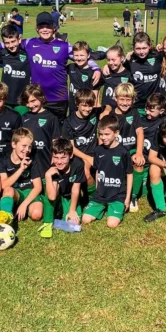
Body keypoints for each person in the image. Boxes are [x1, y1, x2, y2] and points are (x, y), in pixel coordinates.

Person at [0, 12, 101, 121]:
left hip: (58, 99)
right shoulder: (30, 43)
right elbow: (6, 43)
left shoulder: (64, 46)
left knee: (57, 133)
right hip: (37, 98)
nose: (45, 29)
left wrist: (96, 68)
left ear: (54, 27)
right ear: (37, 28)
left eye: (48, 26)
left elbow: (81, 56)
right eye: (41, 26)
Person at [82, 115, 133, 228]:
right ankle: (102, 206)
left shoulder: (123, 152)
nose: (103, 137)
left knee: (111, 224)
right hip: (101, 194)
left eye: (107, 134)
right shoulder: (98, 150)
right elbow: (97, 171)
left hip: (118, 195)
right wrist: (97, 189)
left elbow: (129, 174)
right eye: (101, 134)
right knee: (85, 219)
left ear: (116, 133)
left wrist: (127, 198)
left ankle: (113, 207)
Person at [39, 137, 86, 238]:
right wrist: (48, 176)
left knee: (75, 226)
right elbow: (51, 196)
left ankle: (56, 222)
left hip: (69, 197)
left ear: (71, 155)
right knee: (51, 192)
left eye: (63, 157)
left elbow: (75, 188)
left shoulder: (78, 164)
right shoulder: (51, 167)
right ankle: (47, 223)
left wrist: (72, 210)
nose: (59, 162)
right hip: (55, 197)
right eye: (56, 157)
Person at [109, 83, 145, 212]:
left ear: (133, 100)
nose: (125, 103)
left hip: (131, 150)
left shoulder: (134, 113)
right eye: (122, 99)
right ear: (116, 98)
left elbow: (140, 132)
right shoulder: (111, 115)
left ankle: (133, 196)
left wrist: (139, 152)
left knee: (139, 162)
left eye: (128, 100)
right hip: (117, 151)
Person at [0, 127, 43, 224]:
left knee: (37, 214)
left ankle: (17, 208)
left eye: (29, 147)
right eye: (24, 146)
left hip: (29, 192)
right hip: (14, 193)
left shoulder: (32, 161)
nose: (27, 150)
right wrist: (21, 169)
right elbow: (4, 185)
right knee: (8, 190)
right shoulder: (3, 161)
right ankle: (7, 219)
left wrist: (24, 205)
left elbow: (38, 187)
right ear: (13, 144)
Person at [61, 89, 102, 197]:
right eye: (84, 105)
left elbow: (107, 107)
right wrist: (88, 158)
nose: (87, 109)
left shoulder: (94, 114)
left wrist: (107, 110)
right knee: (85, 170)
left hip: (94, 152)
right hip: (78, 155)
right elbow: (71, 147)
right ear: (76, 104)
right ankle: (94, 197)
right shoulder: (68, 122)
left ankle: (99, 194)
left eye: (90, 106)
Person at [20, 83, 61, 180]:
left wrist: (55, 157)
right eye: (27, 102)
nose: (30, 105)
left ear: (41, 98)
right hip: (29, 160)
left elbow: (56, 141)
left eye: (33, 101)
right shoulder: (24, 117)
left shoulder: (51, 118)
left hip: (45, 160)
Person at [0, 25, 30, 110]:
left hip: (23, 101)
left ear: (19, 39)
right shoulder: (1, 54)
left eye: (13, 41)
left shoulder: (28, 53)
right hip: (6, 100)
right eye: (7, 43)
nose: (11, 45)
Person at [67, 41, 100, 115]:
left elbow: (95, 97)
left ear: (88, 55)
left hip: (86, 110)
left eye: (82, 55)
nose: (79, 58)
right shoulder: (71, 67)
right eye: (76, 55)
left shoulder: (93, 73)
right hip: (73, 109)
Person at [101, 45, 131, 109]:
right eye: (108, 60)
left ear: (122, 58)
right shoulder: (106, 72)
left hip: (122, 110)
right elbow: (96, 87)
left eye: (113, 60)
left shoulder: (129, 74)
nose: (111, 62)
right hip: (106, 110)